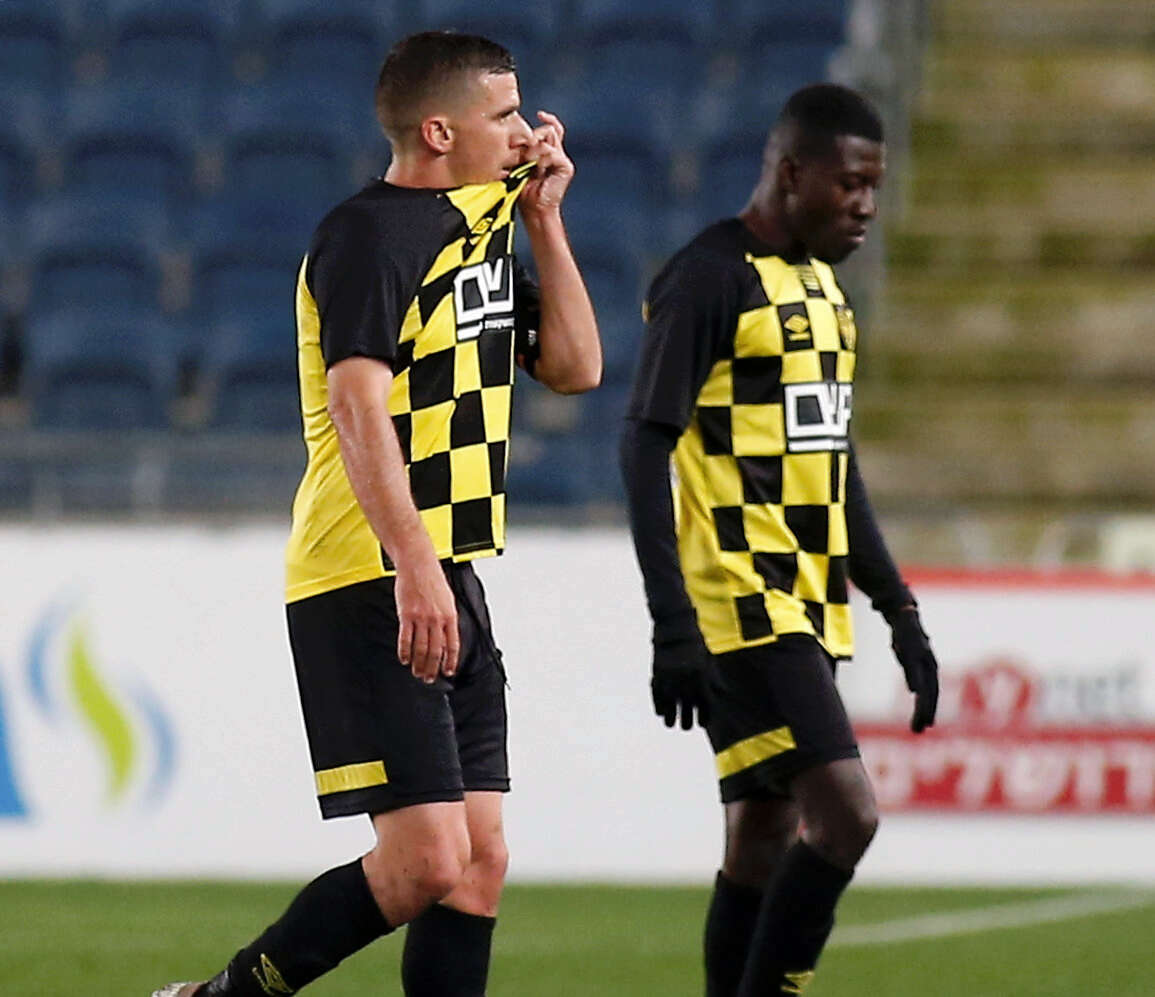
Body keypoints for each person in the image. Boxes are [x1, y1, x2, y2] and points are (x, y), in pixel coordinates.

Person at [153, 30, 600, 997]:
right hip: (369, 572)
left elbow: (575, 367)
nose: (526, 132)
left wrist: (545, 220)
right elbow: (357, 406)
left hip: (444, 570)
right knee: (427, 860)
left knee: (478, 863)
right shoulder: (367, 235)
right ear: (439, 132)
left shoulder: (481, 233)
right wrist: (415, 566)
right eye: (504, 114)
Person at [619, 84, 939, 997]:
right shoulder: (708, 277)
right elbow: (643, 443)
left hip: (809, 605)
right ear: (791, 173)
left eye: (874, 187)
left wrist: (898, 608)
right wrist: (671, 622)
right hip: (741, 603)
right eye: (850, 184)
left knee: (760, 838)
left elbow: (834, 467)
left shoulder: (826, 291)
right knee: (847, 815)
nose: (864, 206)